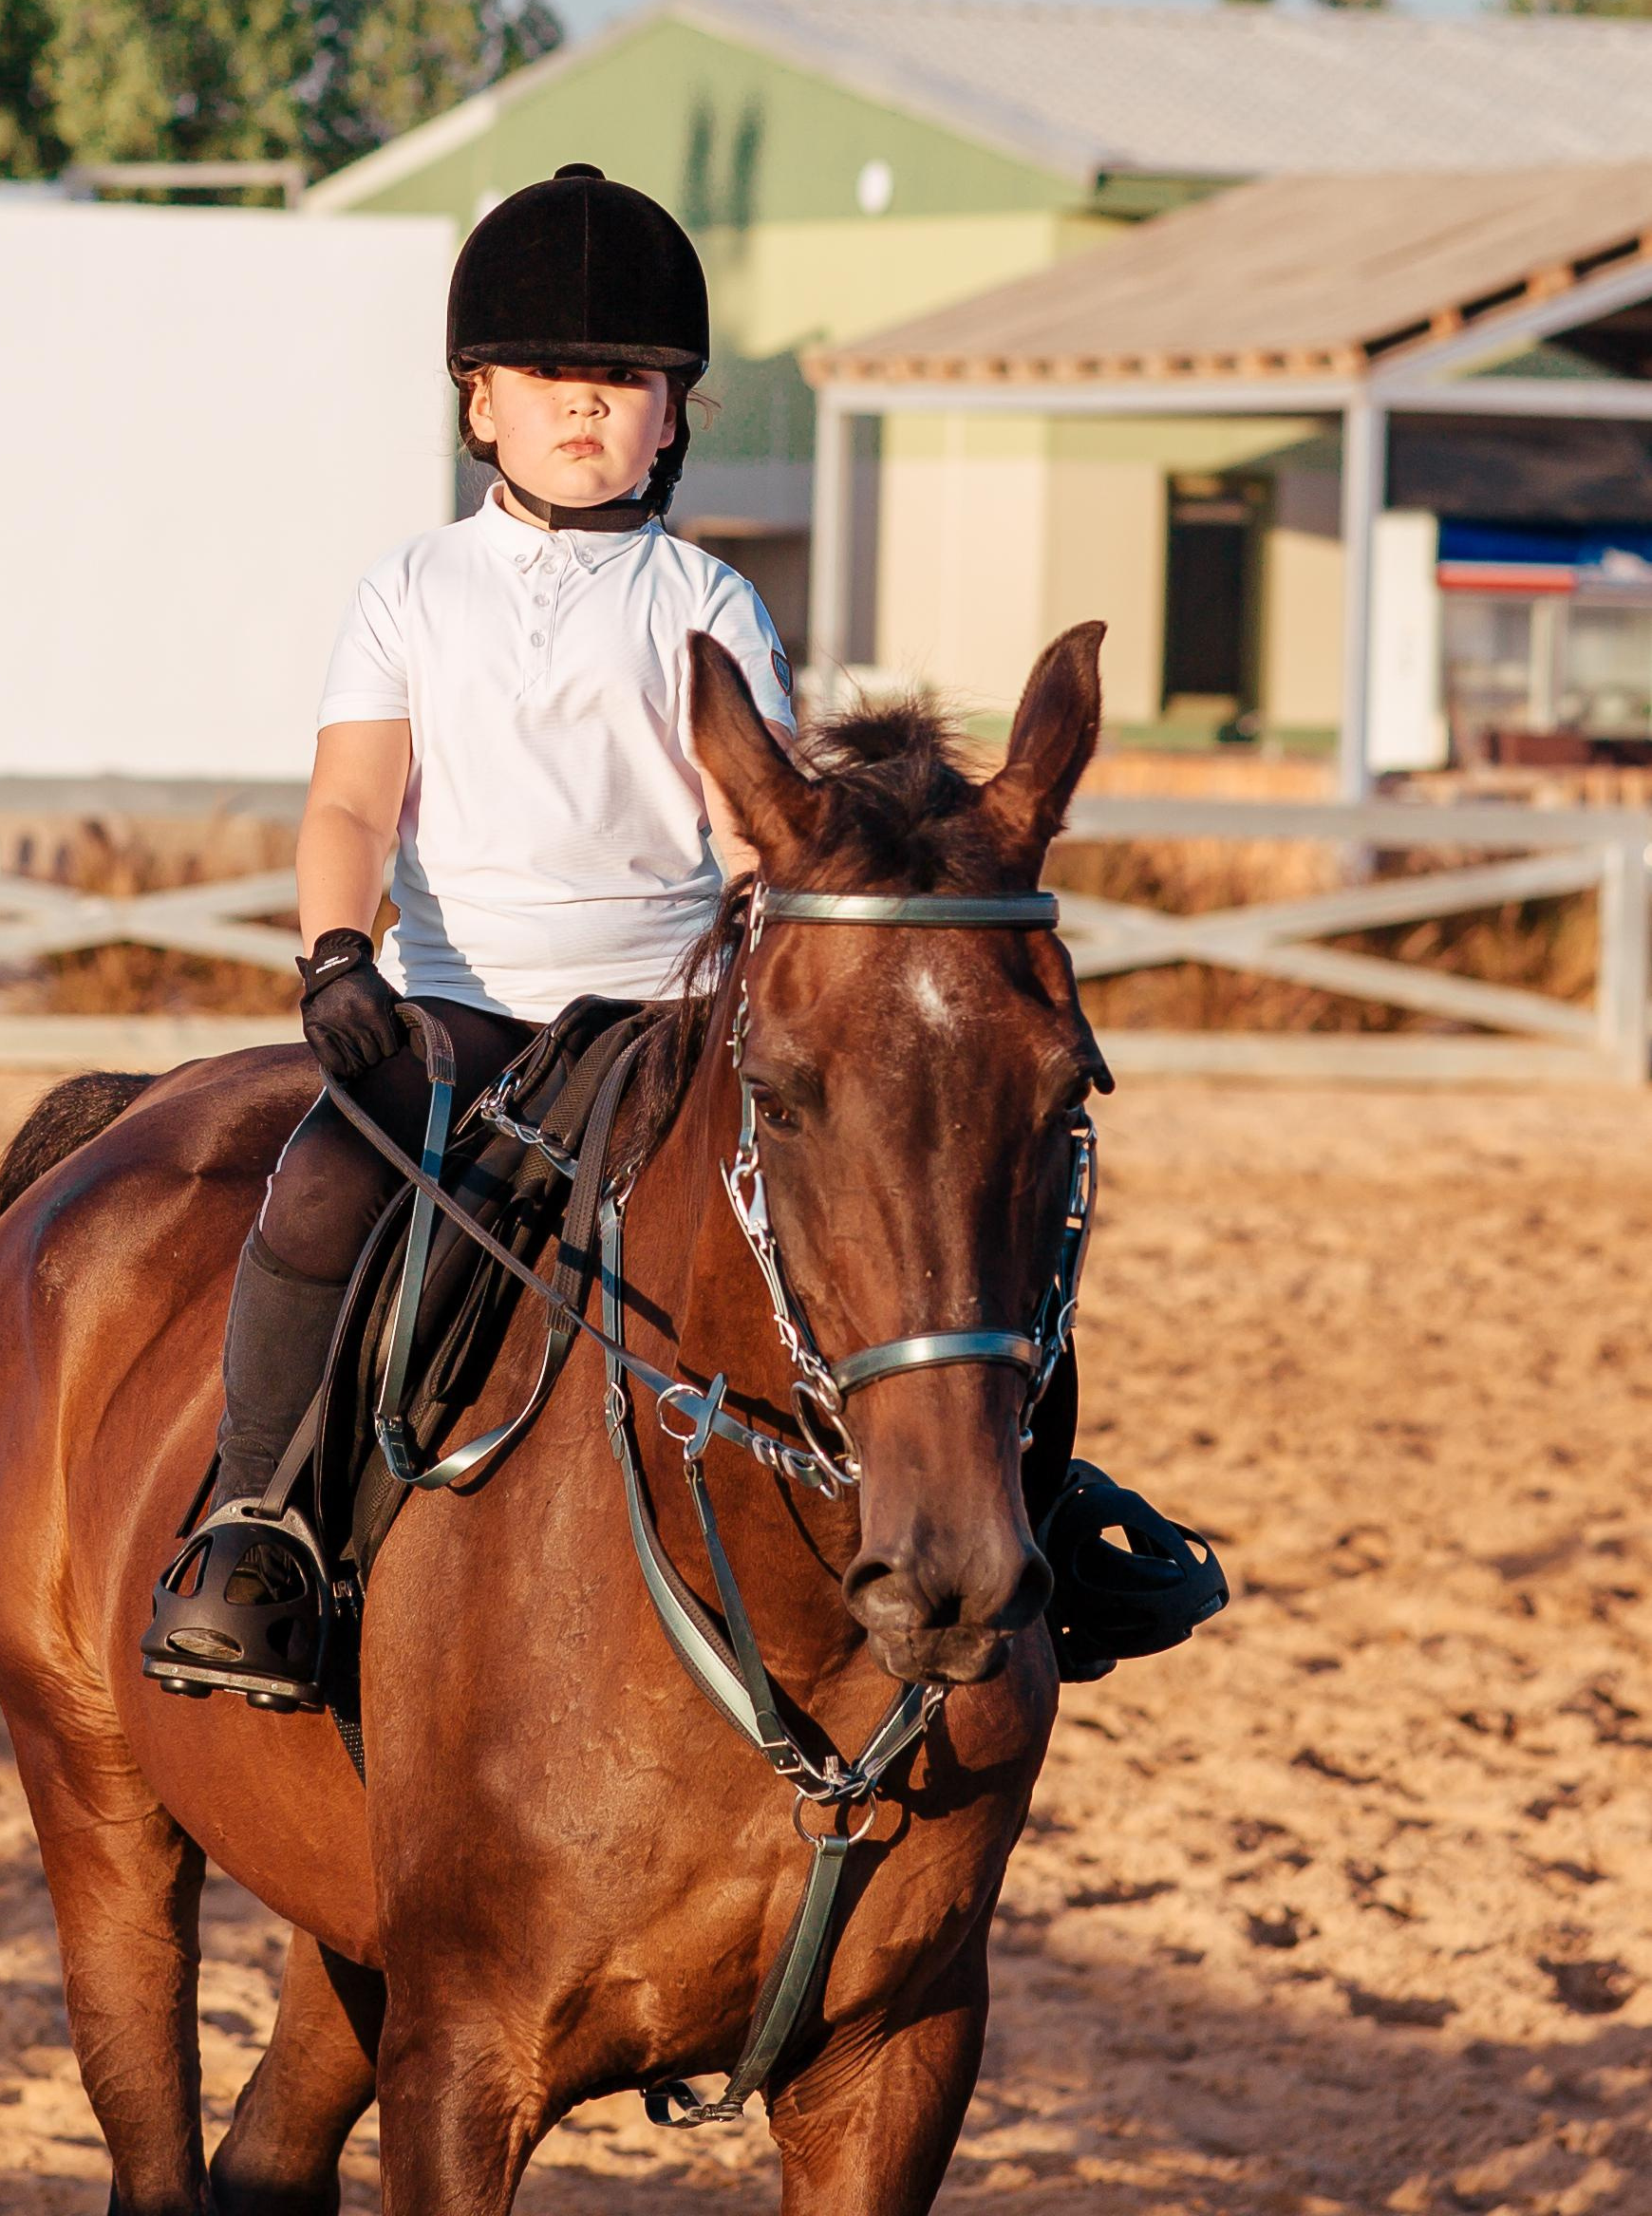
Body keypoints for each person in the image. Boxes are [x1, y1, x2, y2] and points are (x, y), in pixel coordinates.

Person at [141, 164, 1224, 1708]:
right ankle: (262, 1525)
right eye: (550, 379)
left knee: (932, 1208)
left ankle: (1034, 1503)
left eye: (625, 382)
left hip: (662, 1015)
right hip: (461, 1008)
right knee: (317, 1192)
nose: (587, 407)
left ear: (673, 419)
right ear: (480, 405)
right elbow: (351, 804)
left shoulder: (702, 599)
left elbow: (751, 827)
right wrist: (333, 953)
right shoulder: (410, 589)